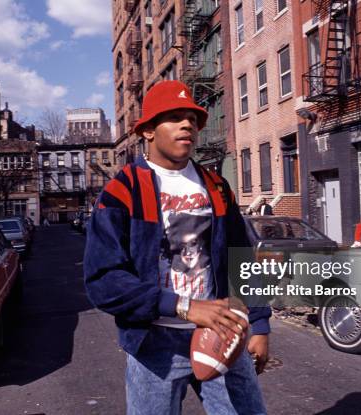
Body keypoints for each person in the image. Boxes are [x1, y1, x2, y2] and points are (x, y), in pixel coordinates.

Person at [84, 80, 271, 415]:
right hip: (155, 343)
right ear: (148, 131)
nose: (187, 124)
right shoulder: (122, 190)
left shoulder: (215, 185)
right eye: (174, 117)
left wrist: (258, 324)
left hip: (222, 332)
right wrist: (183, 306)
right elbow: (104, 280)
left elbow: (240, 259)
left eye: (192, 118)